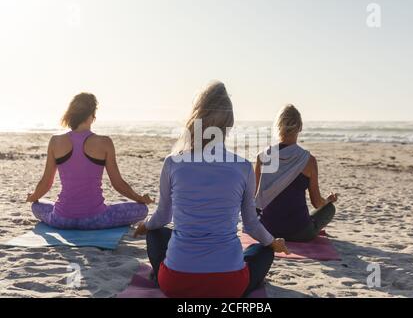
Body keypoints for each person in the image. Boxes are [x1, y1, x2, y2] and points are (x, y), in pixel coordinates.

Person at [134, 81, 289, 298]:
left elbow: (161, 216)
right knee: (264, 250)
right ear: (229, 124)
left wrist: (145, 225)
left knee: (155, 233)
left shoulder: (173, 163)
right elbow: (251, 225)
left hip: (176, 283)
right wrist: (273, 242)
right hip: (229, 285)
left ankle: (160, 274)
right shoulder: (243, 167)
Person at [26, 93, 152, 230]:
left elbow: (46, 182)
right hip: (95, 219)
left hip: (61, 219)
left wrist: (33, 196)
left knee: (36, 206)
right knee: (142, 210)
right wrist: (139, 198)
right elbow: (118, 184)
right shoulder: (105, 142)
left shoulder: (55, 141)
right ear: (91, 115)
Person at [255, 104, 338, 242]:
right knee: (329, 209)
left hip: (268, 231)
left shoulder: (262, 157)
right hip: (300, 233)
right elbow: (317, 203)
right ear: (300, 127)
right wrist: (328, 201)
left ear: (278, 126)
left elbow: (253, 197)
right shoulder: (308, 160)